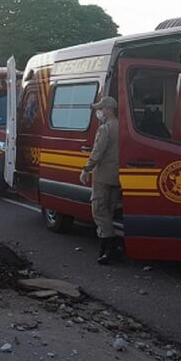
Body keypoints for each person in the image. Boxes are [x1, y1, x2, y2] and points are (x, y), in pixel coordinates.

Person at [80, 96, 122, 265]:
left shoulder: (105, 129)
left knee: (99, 210)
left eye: (101, 108)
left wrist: (86, 168)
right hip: (116, 176)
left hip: (103, 176)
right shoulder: (122, 126)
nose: (99, 112)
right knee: (109, 210)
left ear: (108, 109)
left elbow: (98, 151)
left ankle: (109, 249)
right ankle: (109, 249)